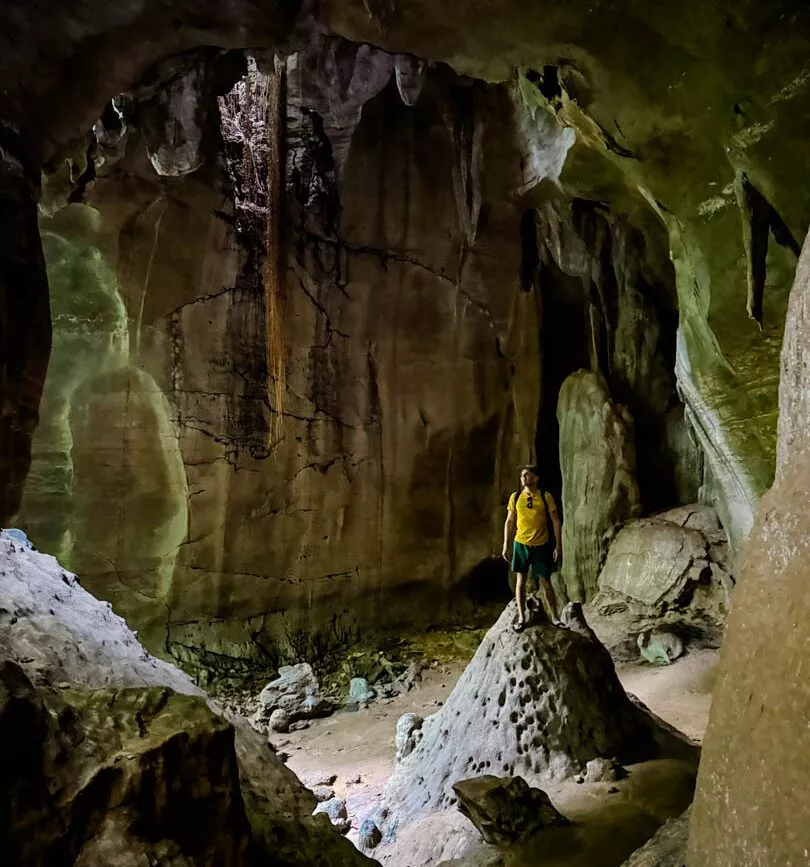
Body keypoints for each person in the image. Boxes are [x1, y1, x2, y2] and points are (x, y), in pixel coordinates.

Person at [501, 465, 563, 632]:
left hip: (540, 544)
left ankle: (555, 617)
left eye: (527, 475)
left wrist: (558, 545)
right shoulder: (515, 497)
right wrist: (506, 544)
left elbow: (556, 521)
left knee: (545, 580)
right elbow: (509, 521)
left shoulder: (545, 496)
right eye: (522, 475)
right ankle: (522, 617)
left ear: (535, 478)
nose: (523, 478)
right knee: (520, 581)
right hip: (521, 544)